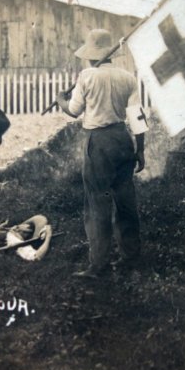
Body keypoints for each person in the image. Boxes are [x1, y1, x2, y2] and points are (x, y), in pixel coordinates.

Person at [56, 28, 149, 278]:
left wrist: (61, 99)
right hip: (122, 139)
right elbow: (137, 118)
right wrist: (140, 150)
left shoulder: (86, 76)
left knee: (97, 203)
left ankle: (98, 266)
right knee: (125, 200)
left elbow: (74, 110)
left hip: (98, 142)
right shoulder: (127, 77)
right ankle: (130, 259)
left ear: (90, 54)